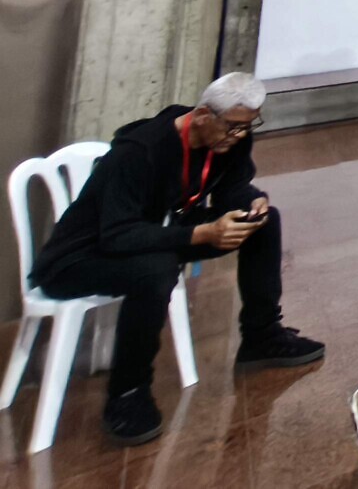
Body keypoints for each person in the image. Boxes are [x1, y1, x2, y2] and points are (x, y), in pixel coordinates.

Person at [32, 72, 324, 443]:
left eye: (247, 127)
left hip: (155, 232)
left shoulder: (230, 136)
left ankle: (261, 335)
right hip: (81, 255)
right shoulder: (139, 151)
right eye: (232, 128)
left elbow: (232, 187)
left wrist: (252, 202)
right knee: (156, 270)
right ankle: (127, 393)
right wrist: (201, 233)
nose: (238, 136)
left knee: (264, 224)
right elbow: (118, 235)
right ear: (202, 116)